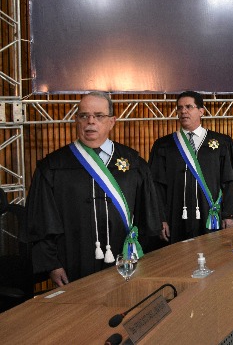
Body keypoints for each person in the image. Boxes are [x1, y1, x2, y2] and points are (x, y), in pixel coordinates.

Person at [25, 92, 162, 286]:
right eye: (84, 116)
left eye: (99, 116)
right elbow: (42, 221)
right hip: (73, 260)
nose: (90, 121)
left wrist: (148, 255)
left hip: (126, 258)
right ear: (76, 120)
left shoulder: (134, 163)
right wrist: (52, 264)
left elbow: (148, 216)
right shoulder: (53, 166)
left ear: (112, 121)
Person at [149, 91, 233, 243]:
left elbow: (230, 181)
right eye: (179, 108)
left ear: (201, 111)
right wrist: (160, 219)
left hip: (211, 214)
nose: (183, 111)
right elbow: (156, 187)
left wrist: (229, 215)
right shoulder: (164, 145)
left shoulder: (221, 142)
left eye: (188, 107)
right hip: (176, 215)